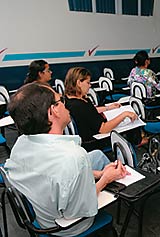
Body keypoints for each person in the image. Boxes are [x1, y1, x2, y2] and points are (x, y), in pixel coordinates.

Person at [4, 83, 128, 236]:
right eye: (60, 100)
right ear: (53, 111)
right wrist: (106, 179)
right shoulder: (73, 156)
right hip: (70, 227)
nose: (65, 103)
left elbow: (54, 177)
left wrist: (98, 174)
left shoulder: (20, 144)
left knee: (96, 156)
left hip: (42, 217)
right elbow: (78, 210)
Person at [64, 67, 139, 151]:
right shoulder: (80, 105)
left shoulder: (68, 100)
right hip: (96, 141)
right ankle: (137, 142)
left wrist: (108, 108)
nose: (90, 85)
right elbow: (103, 129)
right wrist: (124, 114)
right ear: (79, 83)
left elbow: (89, 112)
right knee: (129, 125)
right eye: (88, 83)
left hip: (83, 138)